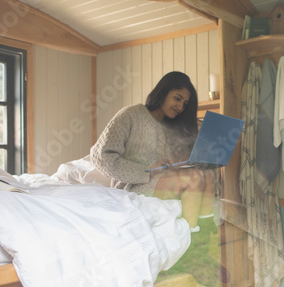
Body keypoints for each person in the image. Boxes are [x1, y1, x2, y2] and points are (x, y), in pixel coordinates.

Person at [90, 71, 215, 229]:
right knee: (194, 178)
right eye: (177, 98)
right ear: (163, 92)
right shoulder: (131, 115)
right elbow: (100, 157)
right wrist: (146, 171)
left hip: (161, 181)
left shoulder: (171, 127)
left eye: (185, 104)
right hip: (132, 187)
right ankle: (193, 240)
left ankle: (207, 229)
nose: (180, 106)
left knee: (208, 175)